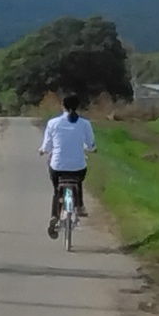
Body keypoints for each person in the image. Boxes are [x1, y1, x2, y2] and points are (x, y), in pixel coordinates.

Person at [40, 93, 96, 235]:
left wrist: (42, 150)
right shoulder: (85, 124)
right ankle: (79, 206)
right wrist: (92, 149)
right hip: (78, 166)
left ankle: (54, 215)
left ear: (62, 106)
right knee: (78, 179)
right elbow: (90, 145)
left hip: (57, 167)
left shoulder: (53, 123)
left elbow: (47, 146)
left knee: (56, 190)